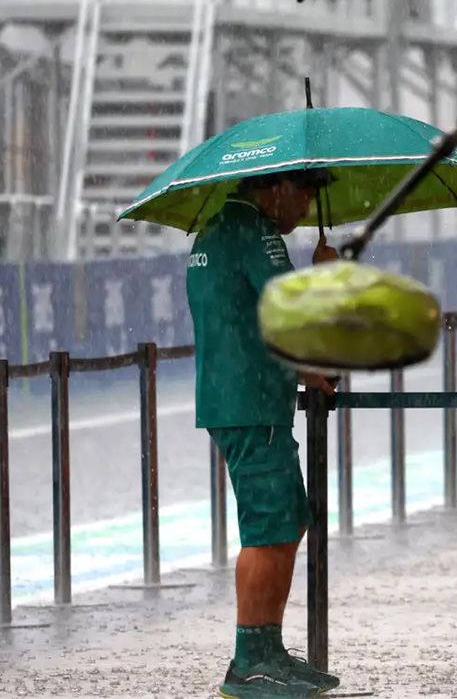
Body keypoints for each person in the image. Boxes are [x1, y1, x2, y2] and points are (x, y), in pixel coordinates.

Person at [187, 169, 342, 697]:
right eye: (303, 194)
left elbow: (245, 325)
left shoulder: (214, 230)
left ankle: (269, 649)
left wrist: (303, 372)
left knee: (285, 518)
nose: (303, 210)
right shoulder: (256, 231)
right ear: (274, 188)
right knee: (270, 528)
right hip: (252, 403)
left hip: (238, 395)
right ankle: (250, 660)